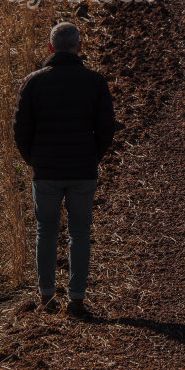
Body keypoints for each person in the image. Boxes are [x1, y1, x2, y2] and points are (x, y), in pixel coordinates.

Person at [14, 21, 119, 319]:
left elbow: (20, 130)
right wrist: (92, 157)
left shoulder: (33, 82)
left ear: (50, 47)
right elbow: (106, 128)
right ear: (79, 47)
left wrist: (34, 160)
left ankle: (46, 297)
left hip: (46, 171)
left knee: (45, 231)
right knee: (80, 232)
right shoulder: (95, 82)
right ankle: (76, 300)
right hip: (82, 170)